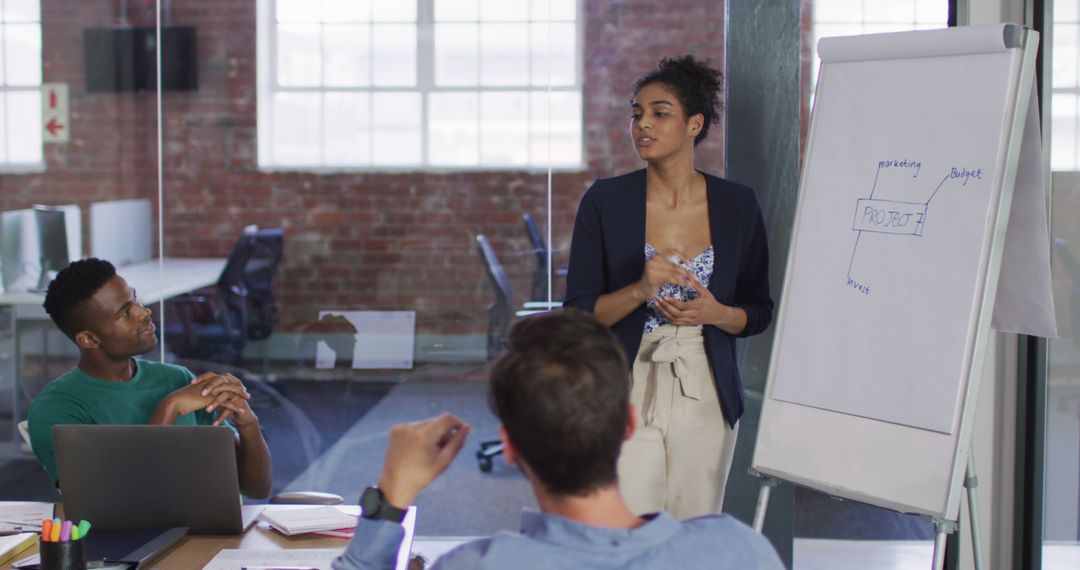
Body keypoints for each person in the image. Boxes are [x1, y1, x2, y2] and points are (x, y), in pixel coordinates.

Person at [332, 310, 783, 570]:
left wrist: (390, 498)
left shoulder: (476, 566)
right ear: (629, 425)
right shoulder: (739, 553)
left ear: (509, 445)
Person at [563, 55, 774, 519]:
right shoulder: (605, 200)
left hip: (705, 387)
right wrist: (641, 288)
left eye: (660, 113)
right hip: (625, 385)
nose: (643, 124)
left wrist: (715, 313)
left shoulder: (738, 205)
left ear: (694, 124)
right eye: (636, 113)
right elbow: (576, 314)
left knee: (695, 532)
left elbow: (759, 310)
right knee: (628, 532)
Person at [27, 257, 272, 498]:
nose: (144, 312)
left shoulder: (177, 379)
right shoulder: (57, 409)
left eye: (134, 299)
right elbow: (117, 502)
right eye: (124, 313)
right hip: (121, 538)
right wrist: (168, 409)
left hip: (202, 532)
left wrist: (247, 423)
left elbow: (256, 488)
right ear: (89, 339)